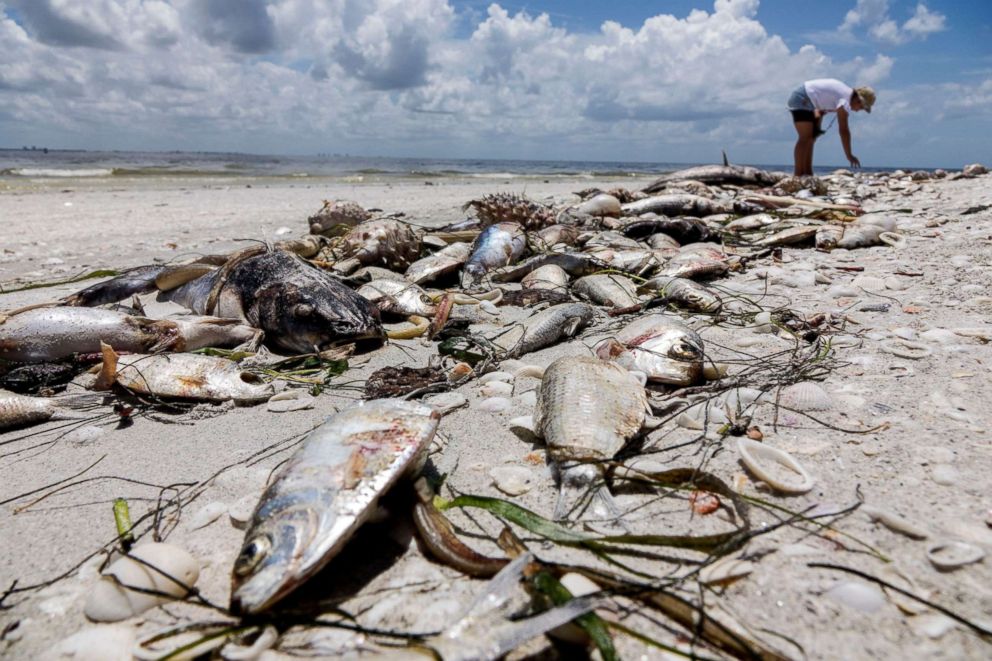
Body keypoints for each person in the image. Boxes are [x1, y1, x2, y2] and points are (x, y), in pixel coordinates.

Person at [787, 79, 875, 176]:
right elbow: (844, 131)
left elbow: (822, 106)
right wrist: (849, 155)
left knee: (811, 138)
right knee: (805, 137)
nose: (859, 110)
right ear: (859, 101)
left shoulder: (845, 95)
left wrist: (816, 129)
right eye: (862, 107)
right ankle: (797, 176)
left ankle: (808, 173)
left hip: (810, 101)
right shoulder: (844, 101)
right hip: (802, 98)